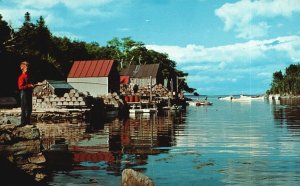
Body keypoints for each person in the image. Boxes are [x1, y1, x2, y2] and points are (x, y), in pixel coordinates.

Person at [18, 61, 34, 126]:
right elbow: (20, 87)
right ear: (22, 68)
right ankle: (23, 123)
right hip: (24, 93)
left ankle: (28, 121)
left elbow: (29, 85)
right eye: (26, 67)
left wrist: (34, 85)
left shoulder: (28, 76)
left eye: (28, 66)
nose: (27, 68)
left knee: (29, 108)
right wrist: (29, 86)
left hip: (28, 93)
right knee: (24, 108)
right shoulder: (21, 77)